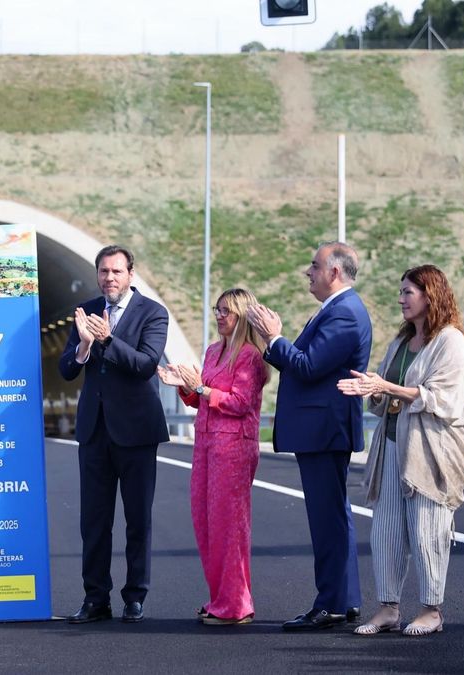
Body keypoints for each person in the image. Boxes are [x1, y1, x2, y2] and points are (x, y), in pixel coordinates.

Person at [338, 265, 464, 637]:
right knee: (386, 530)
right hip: (393, 446)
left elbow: (442, 398)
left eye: (407, 292)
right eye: (400, 292)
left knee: (428, 529)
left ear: (430, 295)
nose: (400, 299)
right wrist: (373, 389)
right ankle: (388, 608)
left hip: (430, 452)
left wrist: (389, 388)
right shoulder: (400, 343)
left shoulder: (450, 342)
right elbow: (384, 393)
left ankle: (432, 609)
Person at [247, 241, 372, 631]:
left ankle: (332, 603)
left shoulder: (345, 314)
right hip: (322, 430)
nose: (308, 272)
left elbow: (307, 365)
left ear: (335, 272)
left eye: (315, 266)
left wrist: (274, 339)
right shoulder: (336, 311)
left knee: (327, 520)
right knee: (334, 518)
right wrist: (275, 343)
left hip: (324, 431)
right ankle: (344, 598)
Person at [59, 244, 169, 624]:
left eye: (116, 272)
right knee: (94, 521)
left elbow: (144, 365)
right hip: (94, 430)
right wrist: (84, 347)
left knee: (137, 519)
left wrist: (107, 339)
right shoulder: (86, 311)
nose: (109, 278)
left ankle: (135, 595)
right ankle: (95, 598)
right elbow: (67, 369)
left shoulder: (153, 313)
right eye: (104, 272)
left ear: (130, 274)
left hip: (137, 431)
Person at [157, 288, 268, 626]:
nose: (219, 316)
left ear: (242, 316)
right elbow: (201, 399)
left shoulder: (250, 356)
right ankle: (221, 598)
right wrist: (185, 386)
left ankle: (235, 605)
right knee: (205, 524)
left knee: (228, 527)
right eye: (217, 310)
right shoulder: (212, 351)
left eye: (226, 311)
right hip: (206, 446)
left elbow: (240, 402)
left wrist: (202, 388)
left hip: (233, 448)